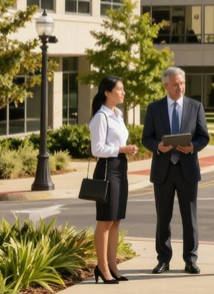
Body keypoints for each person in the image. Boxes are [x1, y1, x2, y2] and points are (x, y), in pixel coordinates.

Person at [142, 67, 210, 274]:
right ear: (165, 86)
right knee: (163, 218)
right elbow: (147, 138)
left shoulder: (195, 106)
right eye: (175, 84)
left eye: (182, 83)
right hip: (163, 170)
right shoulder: (154, 108)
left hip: (187, 169)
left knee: (189, 217)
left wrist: (193, 148)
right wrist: (157, 147)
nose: (180, 87)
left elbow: (203, 136)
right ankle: (163, 259)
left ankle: (190, 259)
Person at [88, 76, 139, 284]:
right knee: (106, 220)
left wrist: (127, 149)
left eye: (123, 89)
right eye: (119, 89)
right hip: (107, 170)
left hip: (120, 168)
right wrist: (121, 149)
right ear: (107, 93)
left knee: (116, 219)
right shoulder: (101, 117)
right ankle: (102, 267)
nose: (123, 92)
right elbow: (96, 149)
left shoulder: (117, 114)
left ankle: (112, 265)